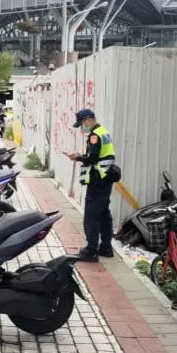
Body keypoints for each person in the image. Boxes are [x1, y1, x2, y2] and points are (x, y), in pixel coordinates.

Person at [68, 108, 118, 261]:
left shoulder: (95, 135)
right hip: (106, 179)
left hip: (98, 180)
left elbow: (93, 159)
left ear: (88, 120)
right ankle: (106, 247)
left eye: (82, 124)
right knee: (103, 215)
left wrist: (77, 157)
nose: (82, 127)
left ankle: (91, 251)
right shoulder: (104, 131)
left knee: (91, 217)